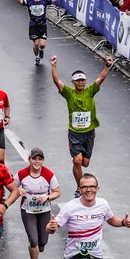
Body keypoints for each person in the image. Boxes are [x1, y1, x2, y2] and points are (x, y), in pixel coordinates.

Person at [50, 54, 113, 183]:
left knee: (85, 163)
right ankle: (80, 187)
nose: (80, 82)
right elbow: (57, 80)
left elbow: (101, 78)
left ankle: (78, 171)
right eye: (77, 80)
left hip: (89, 133)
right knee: (77, 160)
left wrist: (107, 65)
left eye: (82, 80)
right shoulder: (69, 93)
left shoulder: (90, 91)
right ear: (73, 82)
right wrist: (54, 65)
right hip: (75, 133)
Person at [17, 148, 61, 259]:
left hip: (44, 210)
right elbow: (12, 187)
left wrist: (47, 197)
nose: (37, 161)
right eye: (34, 159)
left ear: (42, 161)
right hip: (27, 210)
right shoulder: (22, 174)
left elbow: (57, 192)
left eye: (40, 159)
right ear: (29, 159)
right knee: (33, 239)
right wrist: (19, 190)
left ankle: (39, 246)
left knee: (42, 242)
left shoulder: (48, 174)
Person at [14, 0, 61, 65]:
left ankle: (41, 50)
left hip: (42, 25)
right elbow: (20, 2)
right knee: (36, 44)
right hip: (33, 25)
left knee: (42, 44)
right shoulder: (29, 2)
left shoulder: (44, 1)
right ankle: (37, 57)